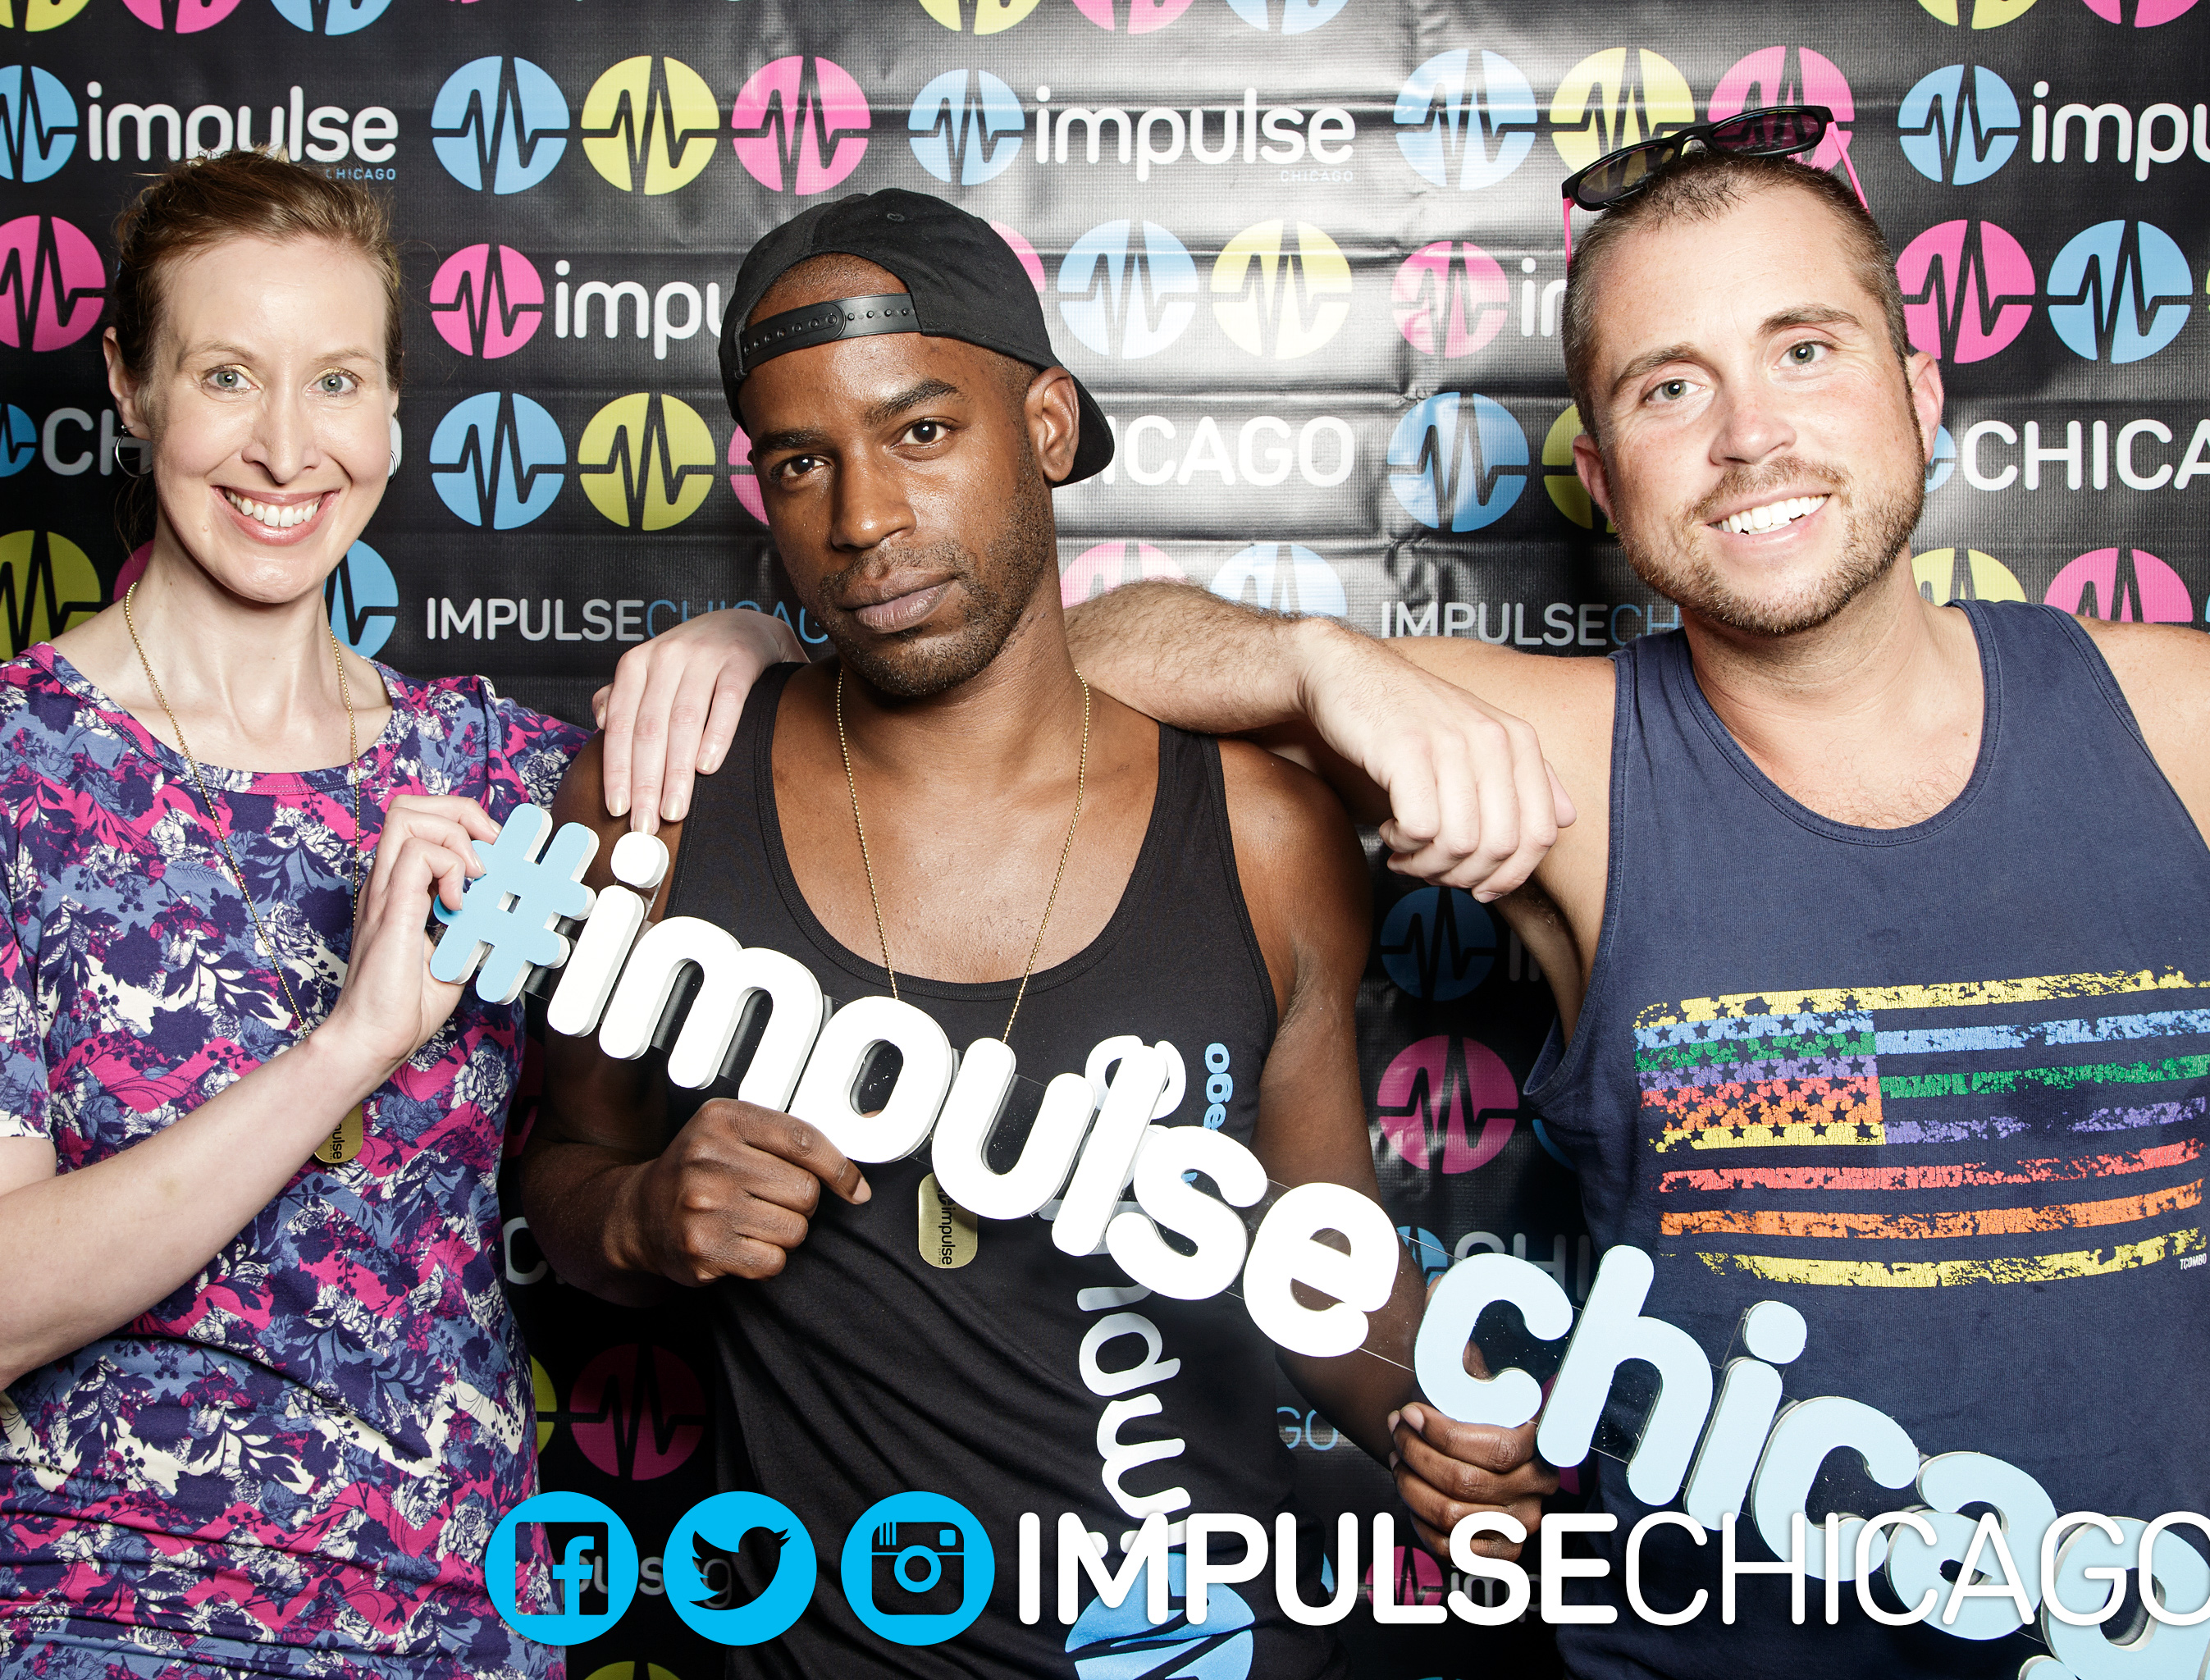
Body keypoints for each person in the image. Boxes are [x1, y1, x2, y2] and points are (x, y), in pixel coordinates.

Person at [616, 151, 2210, 1676]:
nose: (1750, 435)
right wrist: (777, 653)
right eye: (1670, 388)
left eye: (1805, 351)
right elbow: (1044, 660)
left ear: (1922, 388)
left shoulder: (2195, 725)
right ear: (1601, 471)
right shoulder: (1563, 754)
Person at [522, 188, 1556, 1677]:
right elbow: (563, 1165)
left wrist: (1442, 1421)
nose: (864, 519)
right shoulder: (656, 810)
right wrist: (635, 1214)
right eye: (803, 462)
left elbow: (1317, 1258)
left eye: (921, 432)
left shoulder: (1264, 837)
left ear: (1050, 428)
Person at [0, 151, 578, 1679]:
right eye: (227, 375)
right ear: (130, 383)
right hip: (102, 1618)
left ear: (392, 411)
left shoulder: (499, 768)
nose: (286, 448)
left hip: (462, 1624)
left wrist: (735, 640)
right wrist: (352, 1045)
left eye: (336, 382)